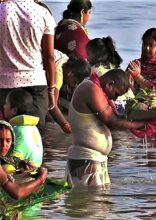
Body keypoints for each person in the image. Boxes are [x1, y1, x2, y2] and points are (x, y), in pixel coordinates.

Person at [66, 68, 145, 188]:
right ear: (110, 84)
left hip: (94, 159)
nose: (114, 99)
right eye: (116, 94)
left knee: (99, 203)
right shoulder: (91, 88)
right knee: (91, 203)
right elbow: (111, 120)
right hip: (85, 158)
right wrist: (140, 125)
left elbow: (116, 118)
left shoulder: (97, 89)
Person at [0, 0, 57, 130]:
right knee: (34, 135)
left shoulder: (1, 10)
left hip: (5, 84)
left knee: (5, 136)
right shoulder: (43, 13)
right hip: (35, 83)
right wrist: (51, 90)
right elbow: (49, 57)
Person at [2, 89, 44, 169]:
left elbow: (9, 165)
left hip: (18, 174)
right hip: (34, 171)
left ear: (14, 110)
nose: (3, 106)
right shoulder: (33, 128)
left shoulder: (16, 129)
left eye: (6, 104)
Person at [50, 56, 91, 133]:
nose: (72, 85)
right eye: (74, 82)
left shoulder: (64, 59)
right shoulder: (58, 74)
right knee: (49, 118)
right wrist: (65, 125)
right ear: (70, 73)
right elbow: (52, 106)